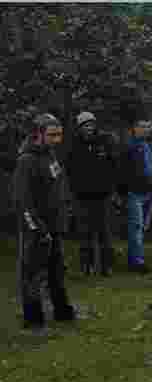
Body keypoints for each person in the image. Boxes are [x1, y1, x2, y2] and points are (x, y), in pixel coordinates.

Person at [13, 113, 76, 335]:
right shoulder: (26, 160)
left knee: (56, 272)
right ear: (38, 134)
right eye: (52, 135)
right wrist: (37, 228)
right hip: (37, 228)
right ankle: (34, 319)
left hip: (56, 224)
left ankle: (63, 312)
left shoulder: (51, 155)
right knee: (31, 275)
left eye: (59, 135)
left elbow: (60, 184)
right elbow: (23, 200)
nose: (56, 139)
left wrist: (66, 210)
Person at [67, 112, 118, 276]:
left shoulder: (105, 142)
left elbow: (114, 166)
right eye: (85, 125)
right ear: (79, 127)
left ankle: (107, 266)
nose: (88, 128)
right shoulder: (73, 144)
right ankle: (86, 266)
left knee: (105, 233)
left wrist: (113, 189)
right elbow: (69, 170)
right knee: (85, 233)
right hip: (82, 196)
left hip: (103, 195)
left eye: (91, 124)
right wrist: (72, 191)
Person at [117, 117, 152, 274]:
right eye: (142, 126)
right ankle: (137, 262)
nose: (145, 129)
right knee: (136, 227)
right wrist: (123, 192)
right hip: (134, 192)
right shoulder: (129, 147)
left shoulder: (148, 146)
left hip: (149, 191)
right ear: (134, 128)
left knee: (142, 227)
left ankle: (135, 257)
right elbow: (121, 170)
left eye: (148, 127)